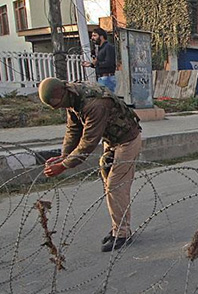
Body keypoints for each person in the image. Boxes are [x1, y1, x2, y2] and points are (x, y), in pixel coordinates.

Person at [38, 77, 142, 252]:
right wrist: (64, 155)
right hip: (112, 139)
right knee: (109, 181)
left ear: (63, 92)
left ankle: (122, 234)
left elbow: (88, 143)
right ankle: (119, 227)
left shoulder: (94, 104)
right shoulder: (72, 97)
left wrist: (63, 165)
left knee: (116, 185)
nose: (62, 107)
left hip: (127, 139)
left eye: (60, 104)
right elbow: (73, 129)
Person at [82, 27, 117, 92]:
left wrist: (96, 64)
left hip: (107, 78)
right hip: (101, 78)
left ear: (101, 37)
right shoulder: (99, 49)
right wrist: (91, 64)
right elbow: (99, 63)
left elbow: (109, 63)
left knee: (106, 99)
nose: (92, 38)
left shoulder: (108, 47)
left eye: (95, 36)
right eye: (92, 36)